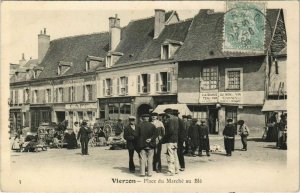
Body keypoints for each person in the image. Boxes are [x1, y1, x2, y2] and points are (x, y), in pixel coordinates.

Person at [161, 108, 180, 176]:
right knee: (175, 155)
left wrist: (165, 137)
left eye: (166, 113)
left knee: (170, 155)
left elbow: (170, 130)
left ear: (168, 113)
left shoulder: (170, 120)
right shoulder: (176, 119)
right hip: (175, 140)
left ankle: (171, 171)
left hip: (170, 140)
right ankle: (177, 169)